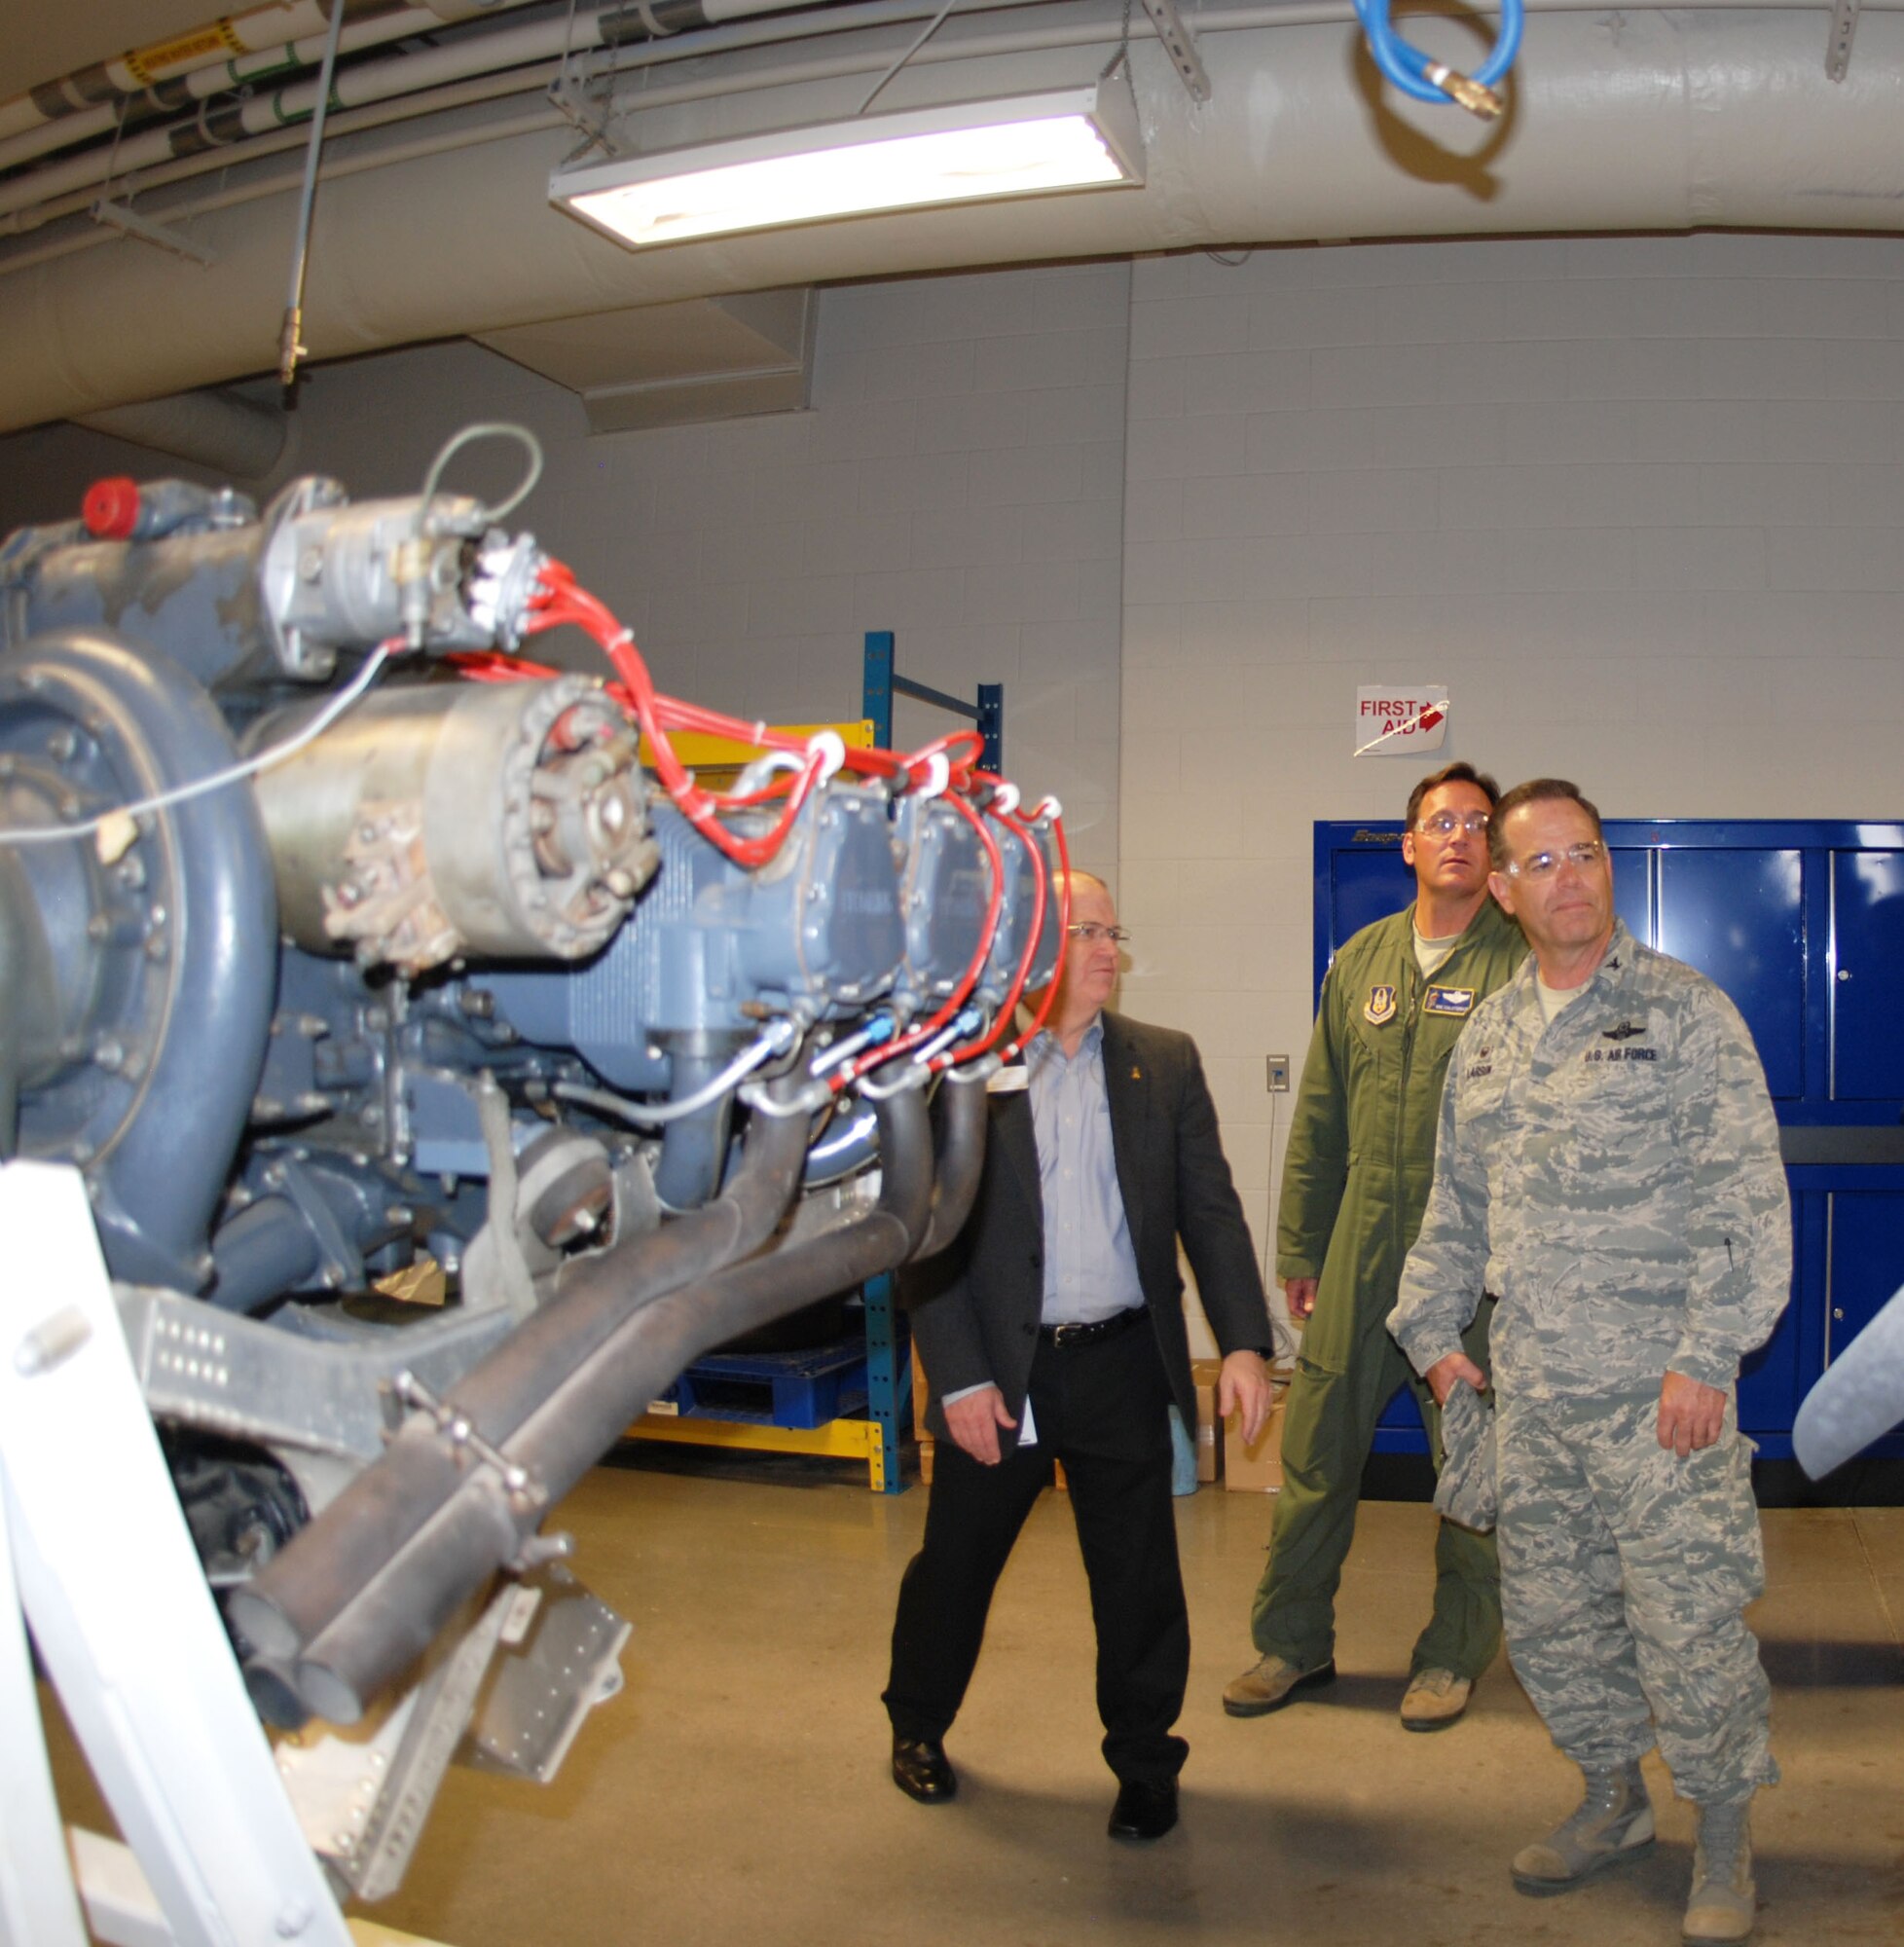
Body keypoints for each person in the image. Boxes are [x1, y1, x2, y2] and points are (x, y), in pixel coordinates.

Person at [1389, 778, 1790, 1947]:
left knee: (1692, 1622)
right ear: (1504, 889)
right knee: (1558, 1621)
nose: (1572, 877)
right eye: (1544, 861)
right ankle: (1612, 1795)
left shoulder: (1685, 1013)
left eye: (1588, 854)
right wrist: (1432, 1337)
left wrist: (1706, 1356)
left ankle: (1722, 1832)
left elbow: (1748, 1204)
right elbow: (1455, 1208)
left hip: (1663, 1401)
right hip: (1536, 1399)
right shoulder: (1492, 1036)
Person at [883, 871, 1274, 1843]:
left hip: (1119, 1360)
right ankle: (917, 1726)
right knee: (954, 1568)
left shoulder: (1163, 1063)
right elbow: (919, 1234)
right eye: (1084, 930)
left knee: (1138, 1580)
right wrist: (962, 1376)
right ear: (1027, 944)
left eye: (1112, 930)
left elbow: (1210, 1210)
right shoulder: (957, 1068)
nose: (1108, 948)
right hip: (998, 1372)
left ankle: (1146, 1762)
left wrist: (1244, 1341)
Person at [1224, 762, 1523, 1731]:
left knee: (1471, 1469)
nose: (1459, 836)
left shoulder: (1519, 965)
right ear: (1409, 844)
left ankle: (1453, 1654)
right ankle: (1292, 1643)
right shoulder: (1361, 961)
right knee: (1314, 1452)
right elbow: (1319, 1116)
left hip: (1470, 1259)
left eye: (1479, 823)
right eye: (1441, 821)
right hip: (1361, 1242)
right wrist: (1301, 1246)